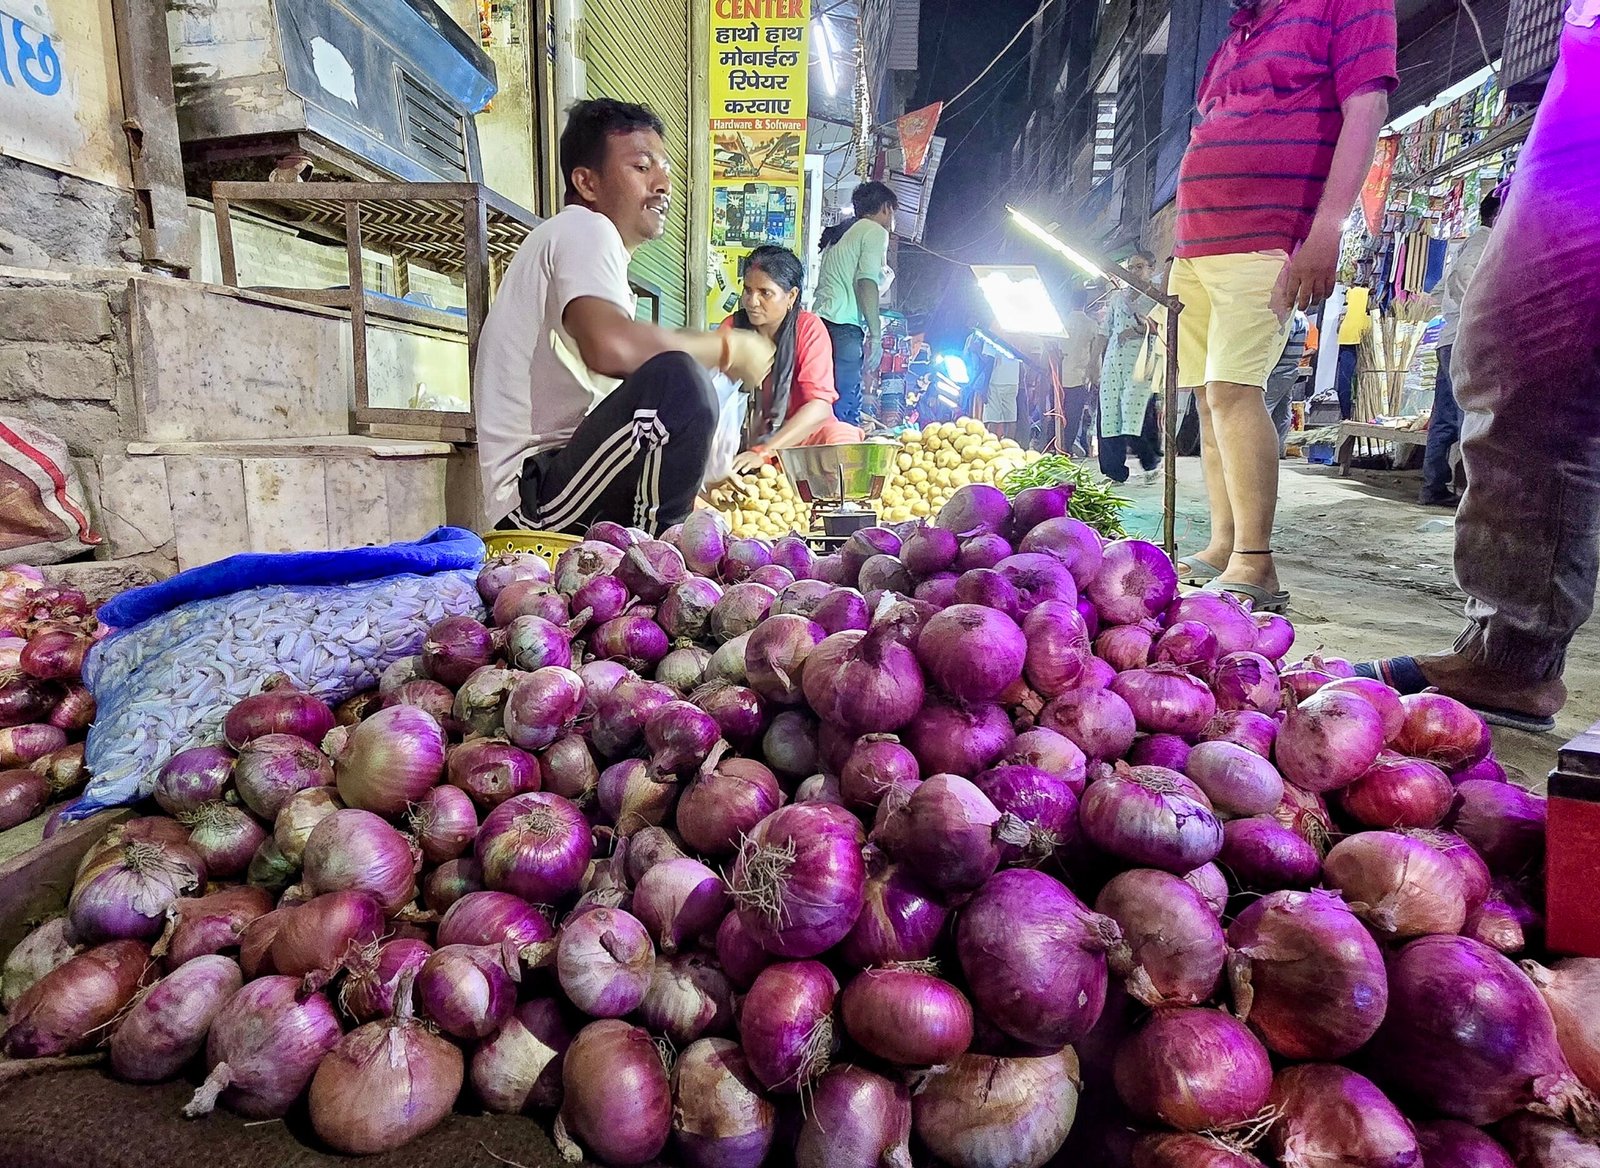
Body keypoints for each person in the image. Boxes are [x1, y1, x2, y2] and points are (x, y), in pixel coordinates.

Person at [1356, 4, 1598, 734]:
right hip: (1584, 71)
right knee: (1518, 349)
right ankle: (1511, 655)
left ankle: (1512, 656)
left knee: (1531, 348)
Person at [1170, 0, 1396, 613]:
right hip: (1199, 243)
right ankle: (1224, 545)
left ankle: (1256, 561)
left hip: (1266, 234)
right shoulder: (1240, 30)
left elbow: (1367, 108)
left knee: (1233, 390)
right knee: (1206, 399)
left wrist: (1328, 229)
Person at [476, 99, 774, 534]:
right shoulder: (583, 228)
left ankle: (664, 552)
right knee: (679, 381)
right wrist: (726, 346)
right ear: (587, 182)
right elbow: (610, 347)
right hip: (532, 502)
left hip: (563, 478)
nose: (663, 184)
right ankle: (664, 565)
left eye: (665, 168)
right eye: (641, 167)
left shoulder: (589, 249)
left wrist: (692, 475)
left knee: (673, 384)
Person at [720, 245, 863, 474]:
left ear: (792, 296)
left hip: (799, 440)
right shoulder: (732, 328)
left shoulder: (807, 328)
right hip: (745, 440)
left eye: (765, 293)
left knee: (842, 438)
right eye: (748, 290)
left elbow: (819, 408)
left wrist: (766, 452)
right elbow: (711, 394)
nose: (752, 301)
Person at [1420, 193, 1502, 507]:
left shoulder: (1473, 243)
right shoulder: (1485, 241)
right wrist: (1484, 313)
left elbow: (1441, 289)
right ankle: (1468, 492)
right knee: (1467, 415)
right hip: (1462, 338)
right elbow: (1464, 281)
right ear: (1497, 215)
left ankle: (1434, 486)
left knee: (1445, 416)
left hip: (1452, 337)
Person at [812, 183, 898, 428]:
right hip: (843, 328)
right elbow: (866, 282)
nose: (893, 219)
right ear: (885, 208)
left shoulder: (842, 232)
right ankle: (839, 459)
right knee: (844, 405)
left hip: (820, 325)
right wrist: (876, 334)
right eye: (893, 211)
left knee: (822, 398)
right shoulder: (873, 231)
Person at [1094, 252, 1161, 485]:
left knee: (1137, 414)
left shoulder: (1156, 297)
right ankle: (1114, 472)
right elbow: (1104, 331)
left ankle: (1151, 464)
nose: (1134, 272)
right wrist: (1095, 362)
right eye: (1131, 267)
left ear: (1152, 268)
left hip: (1142, 364)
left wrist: (1137, 331)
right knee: (1109, 415)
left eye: (1139, 267)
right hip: (1114, 364)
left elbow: (1163, 327)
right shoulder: (1117, 298)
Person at [1054, 294, 1099, 456]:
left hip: (1058, 377)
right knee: (1073, 417)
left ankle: (1056, 447)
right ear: (1085, 302)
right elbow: (1095, 354)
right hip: (1079, 378)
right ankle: (1066, 449)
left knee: (1058, 414)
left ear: (1069, 301)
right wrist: (1096, 377)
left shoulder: (1061, 322)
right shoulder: (1091, 325)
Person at [1264, 311, 1311, 456]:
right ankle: (1278, 451)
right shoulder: (1302, 318)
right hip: (1290, 370)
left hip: (1278, 371)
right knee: (1282, 412)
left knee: (1264, 410)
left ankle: (1261, 452)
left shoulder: (1291, 318)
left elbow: (1279, 345)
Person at [1334, 284, 1372, 421]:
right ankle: (1358, 415)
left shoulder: (1350, 294)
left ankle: (1346, 416)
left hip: (1347, 336)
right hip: (1365, 336)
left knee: (1345, 378)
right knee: (1365, 377)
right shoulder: (1370, 294)